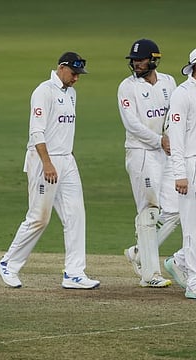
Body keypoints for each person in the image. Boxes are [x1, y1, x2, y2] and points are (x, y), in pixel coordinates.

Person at [0, 52, 100, 290]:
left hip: (67, 160)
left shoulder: (71, 94)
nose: (76, 79)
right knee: (39, 218)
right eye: (73, 74)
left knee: (76, 215)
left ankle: (74, 273)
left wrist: (64, 159)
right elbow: (37, 132)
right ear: (61, 68)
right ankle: (8, 264)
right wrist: (47, 162)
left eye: (79, 75)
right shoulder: (43, 91)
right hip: (43, 159)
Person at [118, 39, 180, 287]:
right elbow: (131, 124)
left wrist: (172, 139)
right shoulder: (127, 87)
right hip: (141, 153)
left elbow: (173, 116)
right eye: (133, 60)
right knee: (150, 210)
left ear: (153, 60)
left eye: (140, 59)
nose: (135, 64)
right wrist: (158, 140)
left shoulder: (169, 82)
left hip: (166, 152)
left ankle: (138, 253)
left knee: (174, 210)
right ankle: (150, 275)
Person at [164, 49, 196, 299]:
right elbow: (175, 138)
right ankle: (194, 282)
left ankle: (179, 261)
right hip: (189, 164)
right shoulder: (182, 94)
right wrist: (180, 174)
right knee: (191, 226)